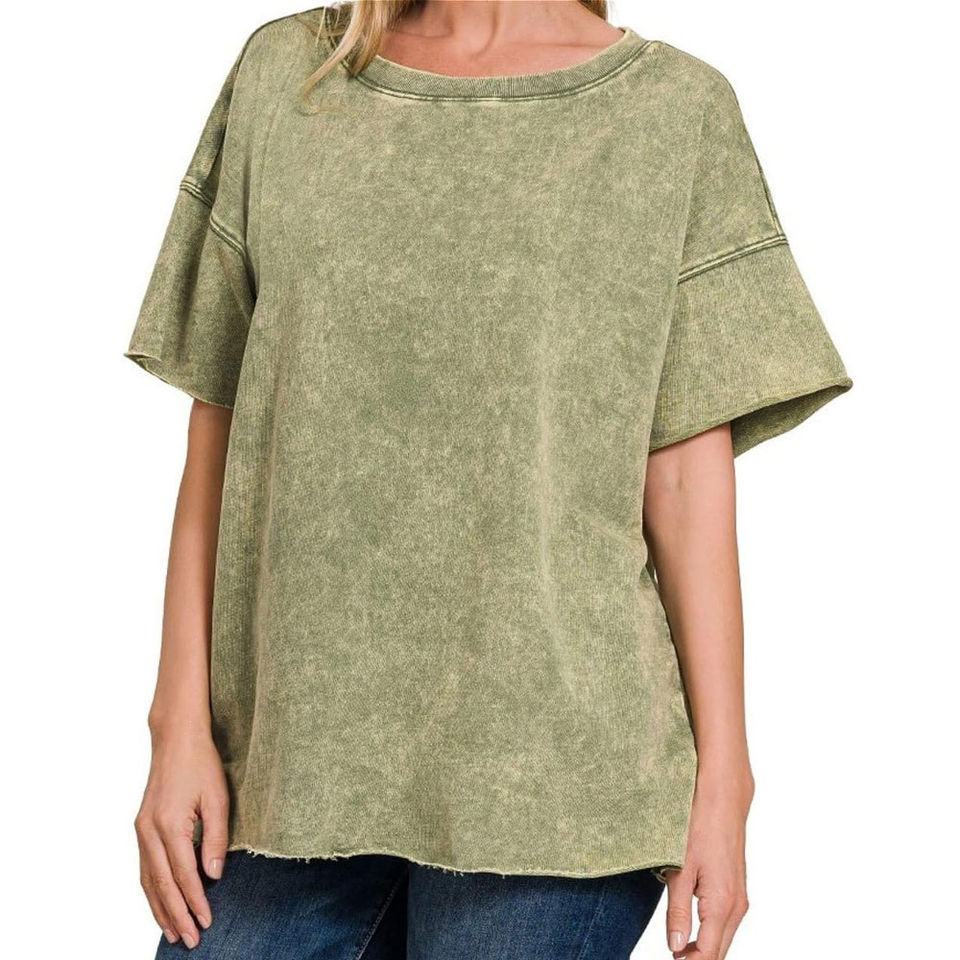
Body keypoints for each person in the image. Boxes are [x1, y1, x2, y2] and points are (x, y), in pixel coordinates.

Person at [124, 2, 852, 958]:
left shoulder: (673, 111)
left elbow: (683, 479)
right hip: (288, 766)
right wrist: (177, 723)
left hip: (561, 778)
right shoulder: (286, 76)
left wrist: (726, 779)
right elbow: (219, 430)